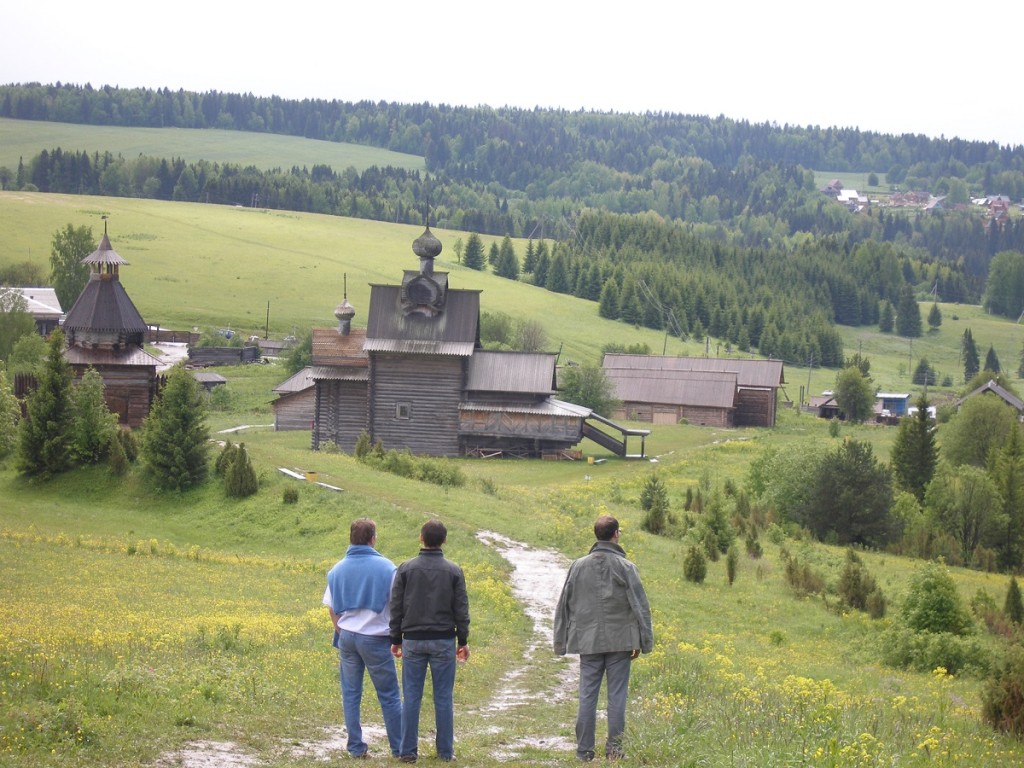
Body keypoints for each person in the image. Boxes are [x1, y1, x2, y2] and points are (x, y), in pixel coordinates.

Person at [554, 515, 654, 762]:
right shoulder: (626, 567)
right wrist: (645, 641)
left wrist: (560, 641)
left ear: (596, 535)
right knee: (617, 695)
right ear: (616, 534)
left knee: (587, 694)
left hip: (588, 641)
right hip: (621, 641)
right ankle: (615, 750)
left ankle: (584, 751)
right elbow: (640, 606)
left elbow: (563, 604)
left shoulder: (577, 566)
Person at [389, 519, 470, 763]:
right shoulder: (454, 571)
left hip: (412, 640)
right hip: (444, 640)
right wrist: (463, 640)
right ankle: (445, 752)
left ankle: (407, 751)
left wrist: (395, 638)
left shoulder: (405, 569)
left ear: (421, 538)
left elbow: (396, 607)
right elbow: (461, 610)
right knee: (443, 697)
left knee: (411, 697)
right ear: (444, 540)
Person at [323, 518, 402, 759]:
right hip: (375, 637)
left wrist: (340, 629)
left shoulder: (337, 569)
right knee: (388, 695)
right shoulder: (387, 568)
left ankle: (356, 747)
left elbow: (331, 606)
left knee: (350, 693)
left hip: (347, 636)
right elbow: (396, 605)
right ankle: (399, 748)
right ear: (373, 538)